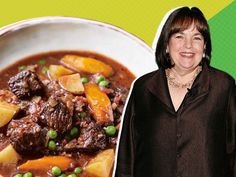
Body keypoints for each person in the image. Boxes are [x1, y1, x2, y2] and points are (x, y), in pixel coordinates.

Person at [114, 6, 236, 177]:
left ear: (204, 46)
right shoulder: (143, 87)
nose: (188, 46)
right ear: (166, 44)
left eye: (197, 38)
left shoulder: (223, 86)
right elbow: (127, 155)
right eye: (179, 36)